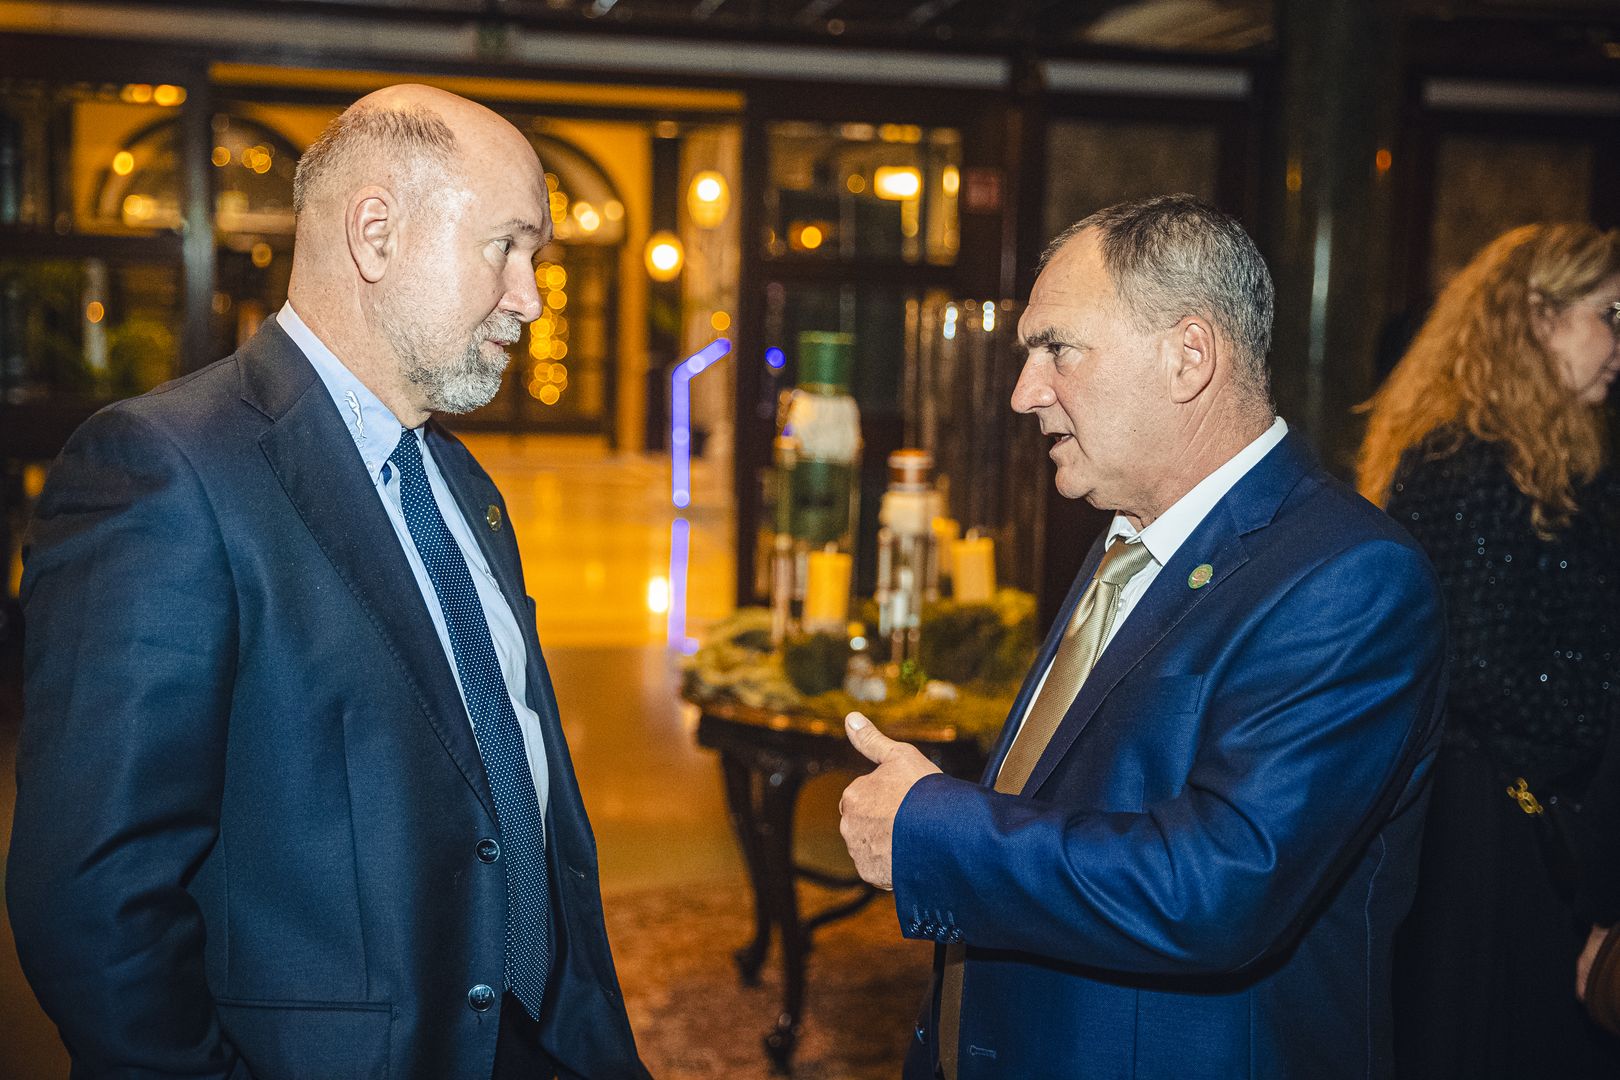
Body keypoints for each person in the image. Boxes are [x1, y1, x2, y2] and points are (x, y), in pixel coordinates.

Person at [6, 85, 649, 1079]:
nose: (529, 297)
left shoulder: (462, 483)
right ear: (376, 234)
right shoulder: (165, 469)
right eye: (507, 248)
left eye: (537, 260)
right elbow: (96, 901)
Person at [837, 194, 1448, 1079]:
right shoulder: (1132, 530)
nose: (1024, 392)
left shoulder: (1351, 578)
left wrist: (929, 828)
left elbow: (1217, 887)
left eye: (1058, 349)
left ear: (1188, 356)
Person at [1357, 222, 1620, 1079]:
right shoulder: (1461, 460)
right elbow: (1471, 663)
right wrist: (1605, 706)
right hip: (1486, 828)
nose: (1619, 344)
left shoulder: (1568, 456)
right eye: (1609, 314)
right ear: (1538, 317)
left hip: (1539, 814)